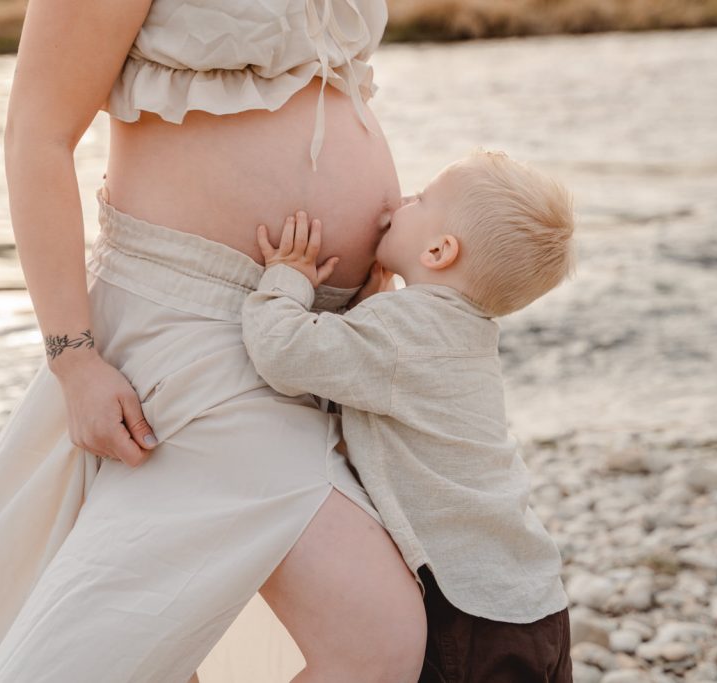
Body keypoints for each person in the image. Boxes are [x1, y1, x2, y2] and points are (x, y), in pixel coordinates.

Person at [0, 0, 428, 682]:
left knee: (193, 652)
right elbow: (36, 133)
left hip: (318, 341)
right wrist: (74, 358)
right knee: (374, 638)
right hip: (197, 331)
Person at [241, 148, 577, 682]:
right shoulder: (460, 330)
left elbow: (284, 352)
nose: (399, 201)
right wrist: (372, 306)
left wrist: (286, 279)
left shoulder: (405, 331)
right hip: (533, 602)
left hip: (467, 610)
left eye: (420, 199)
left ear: (441, 250)